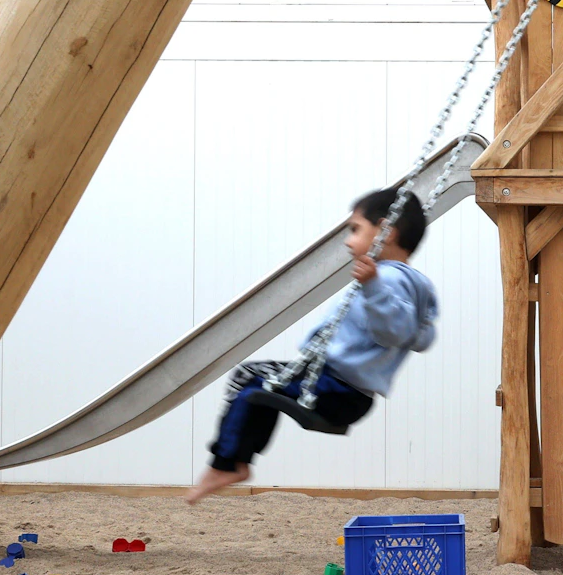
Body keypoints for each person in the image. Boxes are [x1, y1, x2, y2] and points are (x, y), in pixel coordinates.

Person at [182, 187, 439, 505]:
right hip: (349, 393)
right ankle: (234, 462)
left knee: (248, 377)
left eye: (355, 230)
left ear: (386, 231)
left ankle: (226, 464)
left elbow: (395, 332)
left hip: (335, 388)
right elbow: (422, 337)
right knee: (257, 392)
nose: (348, 240)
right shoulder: (418, 284)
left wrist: (372, 288)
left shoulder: (384, 280)